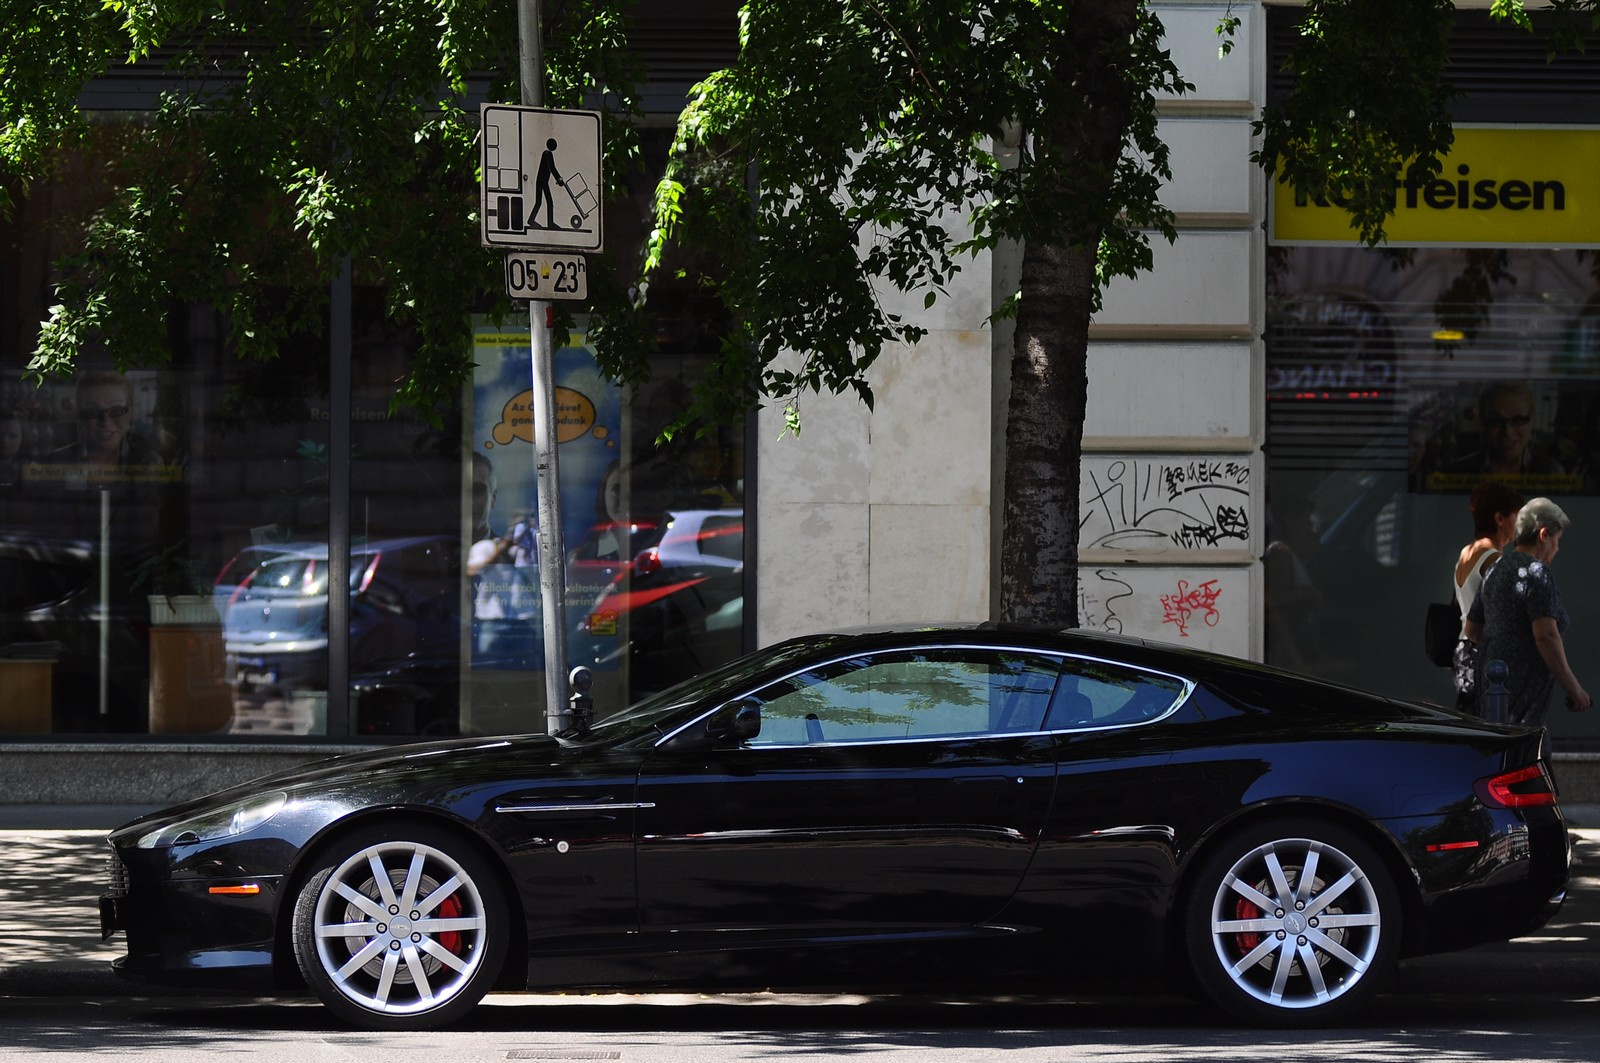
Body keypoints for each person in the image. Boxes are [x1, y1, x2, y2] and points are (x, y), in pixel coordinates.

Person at [1464, 497, 1593, 726]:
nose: (1557, 549)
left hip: (1491, 684)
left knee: (1499, 751)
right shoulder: (1536, 572)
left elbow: (1472, 630)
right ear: (1544, 534)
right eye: (1557, 540)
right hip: (1523, 690)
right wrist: (1575, 690)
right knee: (1526, 753)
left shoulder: (1496, 569)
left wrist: (1502, 643)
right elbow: (1546, 636)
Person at [1450, 481, 1524, 714]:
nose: (1519, 524)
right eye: (1516, 516)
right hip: (1485, 654)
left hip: (1463, 650)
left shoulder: (1466, 552)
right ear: (1499, 518)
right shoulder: (1494, 560)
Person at [1446, 381, 1563, 477]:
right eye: (1495, 421)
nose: (1507, 432)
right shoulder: (1457, 472)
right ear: (1483, 422)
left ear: (1532, 420)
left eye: (1517, 420)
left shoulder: (1551, 472)